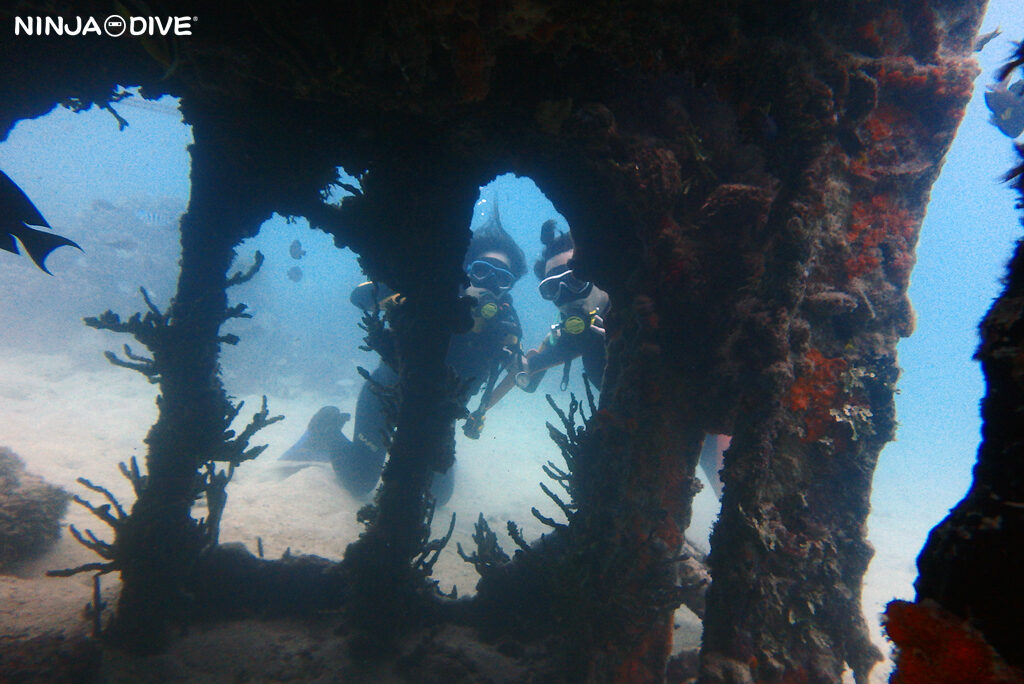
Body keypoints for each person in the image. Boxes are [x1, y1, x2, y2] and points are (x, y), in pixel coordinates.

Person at [283, 211, 526, 505]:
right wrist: (418, 295)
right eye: (481, 270)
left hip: (439, 411)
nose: (489, 283)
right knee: (360, 481)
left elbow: (516, 373)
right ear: (465, 269)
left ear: (509, 289)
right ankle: (325, 431)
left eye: (502, 279)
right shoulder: (433, 294)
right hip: (386, 393)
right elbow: (359, 297)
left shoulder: (505, 329)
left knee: (438, 497)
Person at [483, 219, 728, 498]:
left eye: (575, 280)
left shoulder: (650, 305)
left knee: (730, 486)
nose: (565, 298)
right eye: (553, 289)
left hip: (708, 423)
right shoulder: (580, 334)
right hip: (653, 436)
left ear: (599, 274)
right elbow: (528, 371)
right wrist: (507, 361)